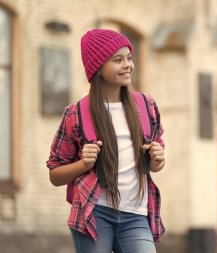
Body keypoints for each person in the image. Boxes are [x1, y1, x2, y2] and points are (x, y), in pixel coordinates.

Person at [46, 28, 165, 253]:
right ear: (98, 67)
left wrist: (158, 158)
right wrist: (83, 164)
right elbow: (54, 175)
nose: (127, 65)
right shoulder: (76, 114)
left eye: (129, 58)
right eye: (118, 60)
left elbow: (156, 165)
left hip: (136, 216)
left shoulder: (146, 106)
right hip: (94, 213)